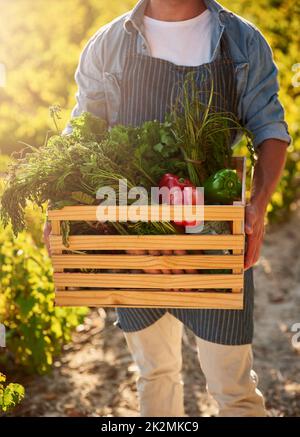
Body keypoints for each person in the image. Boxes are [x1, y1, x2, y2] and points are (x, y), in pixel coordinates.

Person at [44, 0, 291, 417]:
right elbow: (81, 132)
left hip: (212, 233)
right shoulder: (109, 45)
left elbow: (270, 130)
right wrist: (58, 204)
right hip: (134, 231)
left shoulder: (242, 41)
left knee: (232, 387)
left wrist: (258, 206)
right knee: (155, 374)